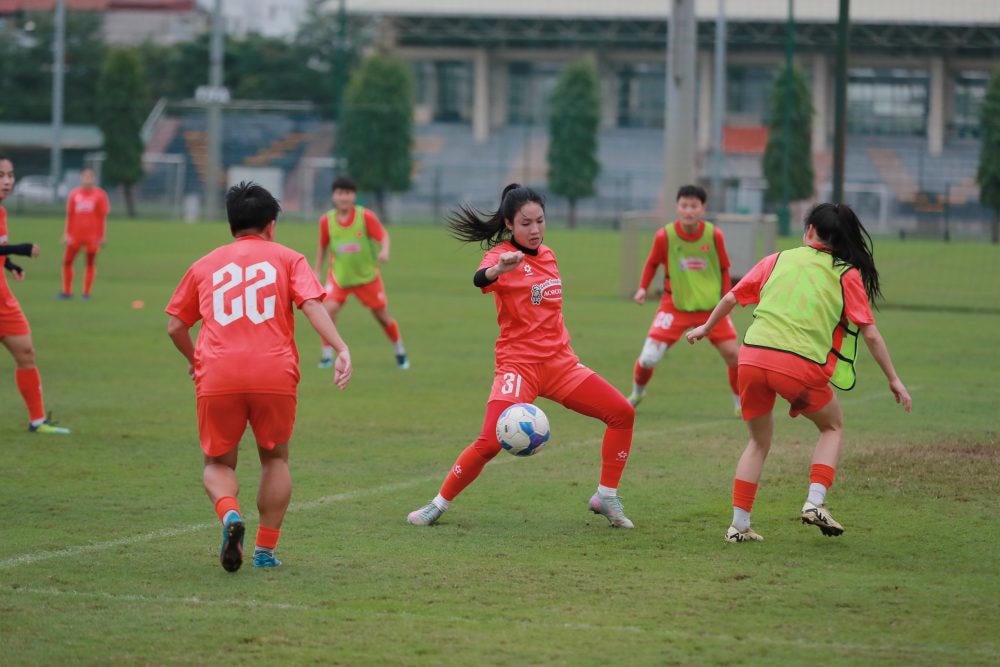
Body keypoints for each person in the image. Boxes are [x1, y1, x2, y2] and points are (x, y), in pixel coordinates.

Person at [407, 184, 637, 528]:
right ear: (509, 224)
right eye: (526, 223)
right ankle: (437, 505)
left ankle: (605, 496)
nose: (535, 230)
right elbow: (478, 278)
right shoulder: (500, 257)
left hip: (561, 365)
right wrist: (500, 269)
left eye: (540, 221)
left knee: (622, 413)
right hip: (519, 367)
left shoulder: (549, 254)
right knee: (488, 442)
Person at [686, 203, 912, 543]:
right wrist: (893, 379)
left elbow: (732, 298)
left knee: (758, 442)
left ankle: (738, 526)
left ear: (809, 231)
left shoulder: (777, 259)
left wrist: (706, 327)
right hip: (798, 365)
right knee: (832, 427)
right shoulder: (846, 273)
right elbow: (870, 333)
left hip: (752, 357)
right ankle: (815, 502)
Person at [166, 182, 352, 572]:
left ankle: (230, 515)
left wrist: (195, 357)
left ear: (232, 225)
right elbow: (312, 304)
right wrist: (339, 347)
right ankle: (265, 551)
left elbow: (175, 326)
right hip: (274, 372)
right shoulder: (288, 259)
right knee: (275, 459)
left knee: (218, 463)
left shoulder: (205, 264)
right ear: (271, 225)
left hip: (218, 372)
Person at [627, 185, 740, 414]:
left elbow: (724, 268)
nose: (689, 210)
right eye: (684, 205)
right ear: (677, 207)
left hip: (710, 309)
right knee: (648, 358)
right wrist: (642, 289)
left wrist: (727, 299)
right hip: (674, 306)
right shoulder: (665, 236)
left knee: (734, 355)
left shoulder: (714, 235)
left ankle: (740, 403)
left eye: (694, 206)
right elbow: (652, 263)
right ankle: (637, 393)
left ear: (703, 208)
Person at [0, 155, 71, 435]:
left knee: (26, 353)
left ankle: (37, 421)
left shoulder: (2, 213)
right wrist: (20, 249)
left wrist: (9, 264)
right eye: (1, 175)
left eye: (9, 175)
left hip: (3, 300)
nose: (7, 181)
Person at [314, 176, 408, 369]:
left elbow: (383, 236)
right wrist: (317, 269)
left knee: (382, 316)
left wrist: (384, 250)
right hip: (339, 277)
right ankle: (326, 356)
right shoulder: (327, 220)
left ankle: (399, 349)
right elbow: (322, 247)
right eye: (340, 193)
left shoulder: (365, 216)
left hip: (367, 278)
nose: (344, 197)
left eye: (347, 193)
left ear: (354, 196)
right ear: (333, 196)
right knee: (326, 312)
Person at [58, 167, 110, 300]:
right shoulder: (74, 194)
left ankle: (86, 293)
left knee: (90, 263)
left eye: (90, 176)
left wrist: (102, 236)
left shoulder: (100, 195)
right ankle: (67, 292)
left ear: (94, 178)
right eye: (85, 176)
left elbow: (103, 217)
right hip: (75, 235)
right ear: (81, 177)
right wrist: (66, 233)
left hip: (92, 236)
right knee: (67, 261)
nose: (87, 179)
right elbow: (70, 215)